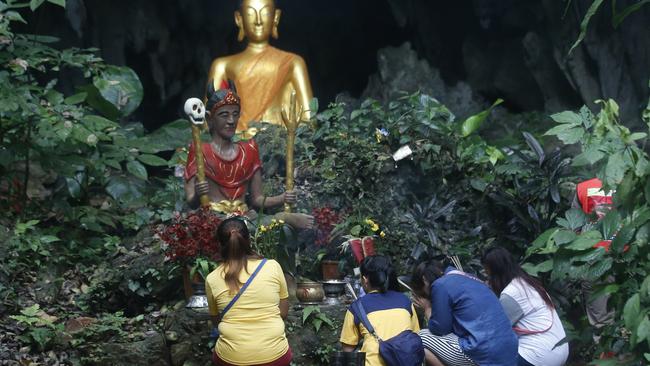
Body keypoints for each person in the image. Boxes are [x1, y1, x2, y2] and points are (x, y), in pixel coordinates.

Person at [183, 79, 313, 230]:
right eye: (224, 115)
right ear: (209, 118)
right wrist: (198, 194)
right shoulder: (199, 150)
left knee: (264, 229)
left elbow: (257, 199)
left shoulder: (249, 150)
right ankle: (280, 219)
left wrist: (282, 198)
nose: (231, 120)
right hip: (214, 220)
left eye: (235, 114)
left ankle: (281, 219)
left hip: (245, 217)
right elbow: (191, 201)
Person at [207, 0, 314, 130]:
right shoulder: (222, 66)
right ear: (238, 18)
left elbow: (309, 120)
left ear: (276, 17)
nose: (258, 21)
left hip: (277, 143)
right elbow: (208, 120)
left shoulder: (293, 63)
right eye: (250, 13)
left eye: (266, 13)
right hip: (236, 142)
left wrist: (282, 136)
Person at [205, 217, 292, 366]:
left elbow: (216, 321)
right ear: (249, 240)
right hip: (274, 355)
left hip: (230, 358)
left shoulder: (212, 279)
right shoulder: (272, 267)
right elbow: (283, 312)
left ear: (220, 244)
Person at [411, 259, 518, 366]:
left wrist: (427, 308)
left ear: (424, 280)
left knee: (419, 338)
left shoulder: (440, 284)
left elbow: (440, 329)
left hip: (485, 352)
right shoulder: (470, 277)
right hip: (510, 348)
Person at [482, 246, 569, 366]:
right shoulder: (528, 283)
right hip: (560, 350)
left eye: (488, 275)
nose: (488, 280)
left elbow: (493, 331)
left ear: (497, 274)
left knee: (486, 355)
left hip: (539, 355)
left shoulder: (511, 293)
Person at [340, 255, 420, 366]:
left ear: (365, 279)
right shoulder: (405, 302)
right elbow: (415, 335)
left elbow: (347, 349)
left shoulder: (357, 307)